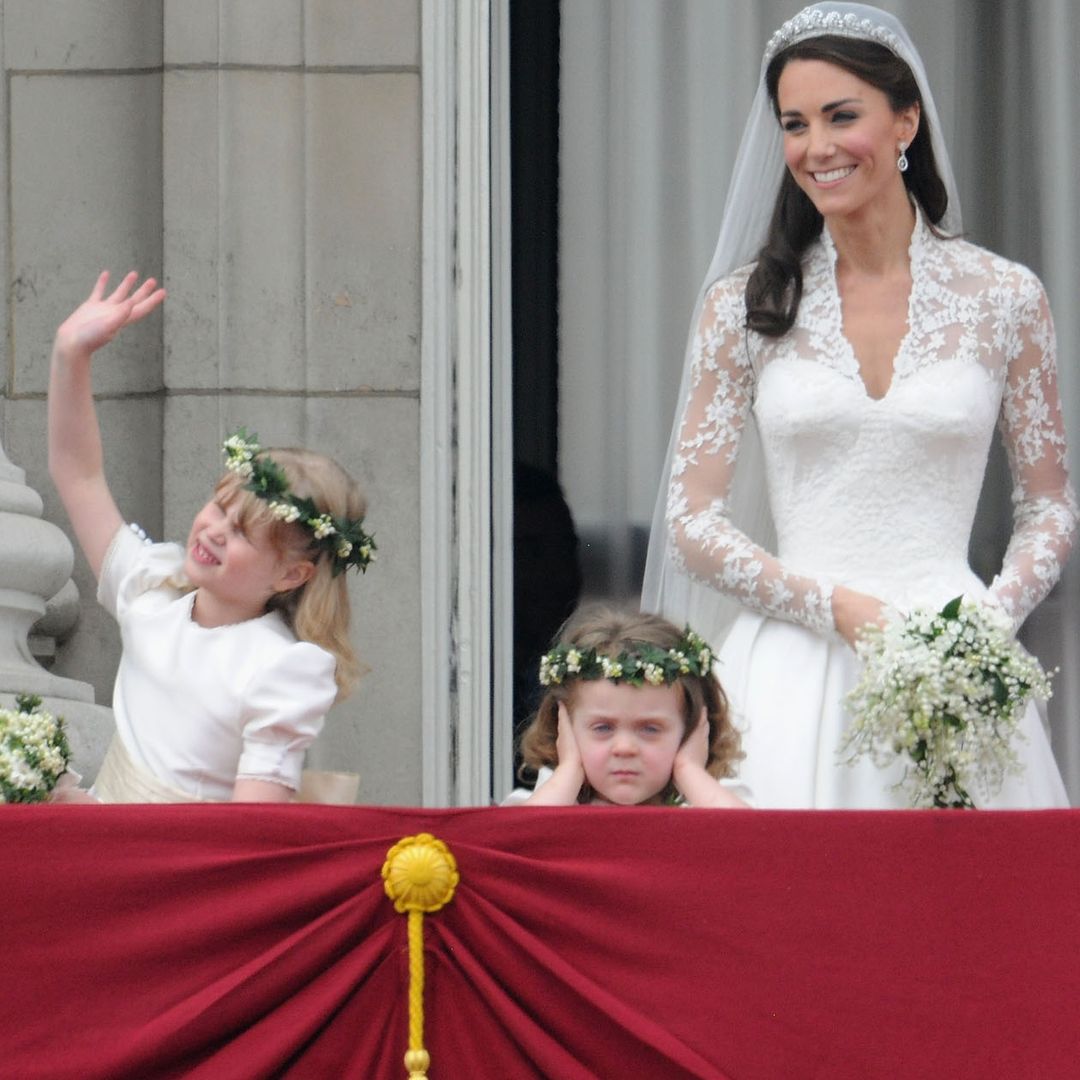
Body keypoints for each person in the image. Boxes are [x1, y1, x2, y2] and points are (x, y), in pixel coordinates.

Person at [642, 2, 1078, 808]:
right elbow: (691, 522)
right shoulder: (744, 304)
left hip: (958, 668)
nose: (818, 147)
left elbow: (1049, 506)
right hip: (790, 670)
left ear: (906, 119)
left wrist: (983, 624)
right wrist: (832, 606)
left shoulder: (1005, 296)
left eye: (843, 116)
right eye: (796, 123)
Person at [48, 270, 375, 803]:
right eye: (219, 507)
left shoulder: (281, 667)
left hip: (181, 876)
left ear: (293, 573)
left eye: (243, 530)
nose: (214, 530)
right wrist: (71, 356)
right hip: (98, 855)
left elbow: (248, 834)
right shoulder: (152, 592)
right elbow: (78, 473)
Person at [504, 605, 747, 807]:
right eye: (602, 728)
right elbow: (517, 839)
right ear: (563, 729)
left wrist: (688, 770)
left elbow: (756, 841)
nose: (625, 748)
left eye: (650, 729)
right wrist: (569, 772)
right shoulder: (553, 798)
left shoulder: (705, 799)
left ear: (693, 730)